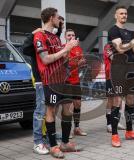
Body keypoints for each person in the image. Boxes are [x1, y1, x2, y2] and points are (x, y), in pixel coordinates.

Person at [33, 7, 80, 158]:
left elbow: (62, 59)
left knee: (68, 109)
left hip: (63, 79)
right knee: (51, 111)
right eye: (58, 17)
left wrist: (69, 51)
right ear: (51, 18)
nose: (60, 20)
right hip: (50, 80)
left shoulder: (55, 37)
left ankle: (65, 143)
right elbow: (45, 59)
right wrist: (66, 48)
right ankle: (53, 146)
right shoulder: (40, 36)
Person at [107, 5, 134, 147]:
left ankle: (129, 131)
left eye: (125, 13)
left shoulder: (131, 32)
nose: (124, 16)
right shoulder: (113, 30)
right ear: (116, 16)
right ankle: (114, 135)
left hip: (131, 71)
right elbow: (119, 48)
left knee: (131, 100)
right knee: (117, 102)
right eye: (121, 13)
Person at [22, 28, 49, 155]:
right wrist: (32, 33)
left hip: (50, 81)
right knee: (40, 111)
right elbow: (24, 48)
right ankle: (38, 142)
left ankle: (47, 137)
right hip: (40, 80)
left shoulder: (48, 40)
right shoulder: (34, 45)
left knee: (49, 111)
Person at [64, 29, 87, 136]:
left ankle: (76, 128)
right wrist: (77, 63)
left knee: (77, 104)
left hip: (76, 80)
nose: (71, 37)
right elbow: (66, 63)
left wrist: (82, 63)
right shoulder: (63, 47)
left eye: (73, 35)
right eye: (69, 35)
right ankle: (67, 131)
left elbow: (81, 62)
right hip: (66, 81)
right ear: (65, 37)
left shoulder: (78, 48)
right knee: (68, 107)